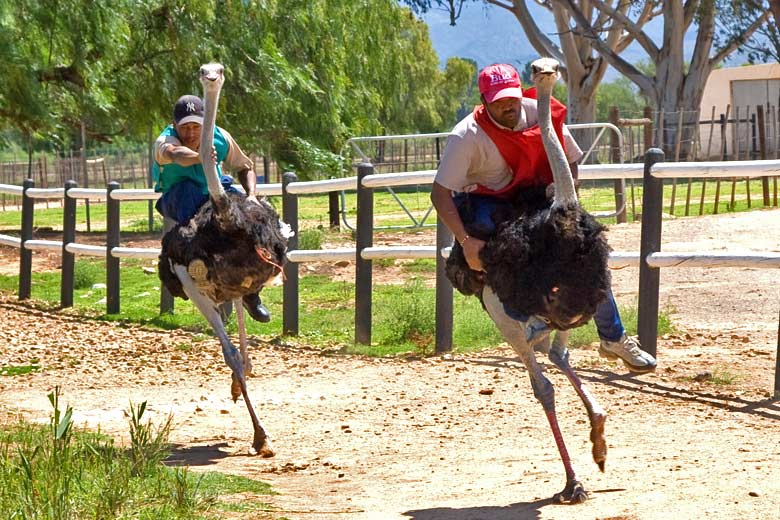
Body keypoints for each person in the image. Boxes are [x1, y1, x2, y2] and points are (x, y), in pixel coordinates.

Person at [431, 63, 656, 373]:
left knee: (583, 252)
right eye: (498, 100)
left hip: (535, 195)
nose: (508, 105)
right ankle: (517, 312)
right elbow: (440, 192)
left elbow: (571, 161)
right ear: (484, 101)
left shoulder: (540, 114)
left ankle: (613, 337)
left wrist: (564, 196)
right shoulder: (467, 135)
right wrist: (465, 241)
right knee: (489, 248)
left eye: (511, 97)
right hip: (489, 199)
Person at [152, 94, 271, 323]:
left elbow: (245, 166)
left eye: (196, 126)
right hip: (180, 192)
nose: (191, 132)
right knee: (196, 215)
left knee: (251, 221)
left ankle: (251, 292)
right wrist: (201, 157)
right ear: (175, 124)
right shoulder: (165, 140)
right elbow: (175, 154)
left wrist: (252, 196)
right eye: (185, 127)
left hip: (217, 188)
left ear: (205, 123)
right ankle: (201, 267)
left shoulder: (220, 136)